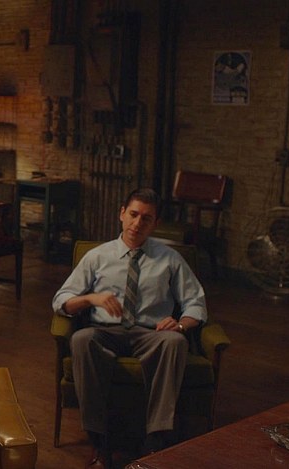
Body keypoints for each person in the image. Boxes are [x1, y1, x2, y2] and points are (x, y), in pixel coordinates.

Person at [51, 188, 206, 468]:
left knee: (175, 342)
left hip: (151, 333)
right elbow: (61, 300)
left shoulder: (170, 259)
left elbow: (196, 303)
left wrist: (181, 324)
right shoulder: (97, 257)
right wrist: (91, 298)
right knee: (82, 339)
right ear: (122, 214)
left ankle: (155, 439)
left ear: (155, 223)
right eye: (133, 214)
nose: (137, 223)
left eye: (146, 218)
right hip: (105, 331)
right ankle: (99, 441)